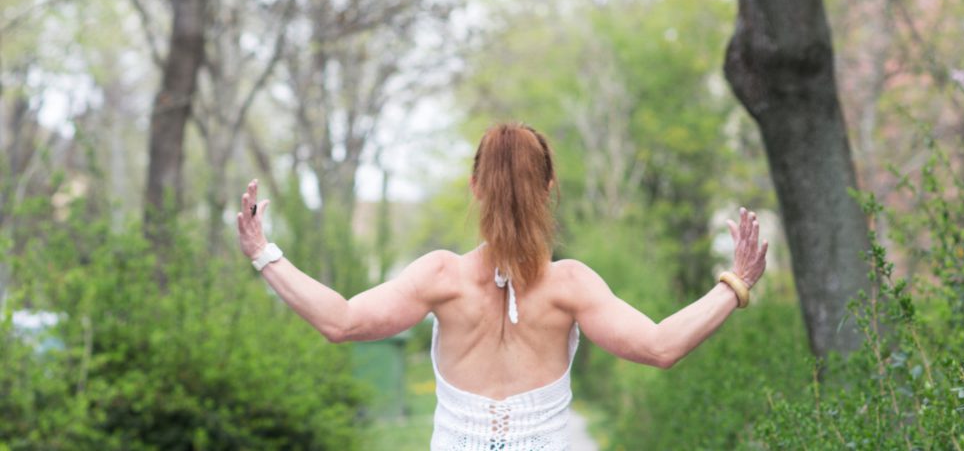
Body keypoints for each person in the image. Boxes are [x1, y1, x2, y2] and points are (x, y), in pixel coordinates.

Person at [235, 123, 768, 450]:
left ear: (475, 187)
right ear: (549, 187)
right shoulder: (571, 285)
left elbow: (341, 321)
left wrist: (265, 253)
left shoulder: (440, 276)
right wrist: (735, 283)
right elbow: (660, 347)